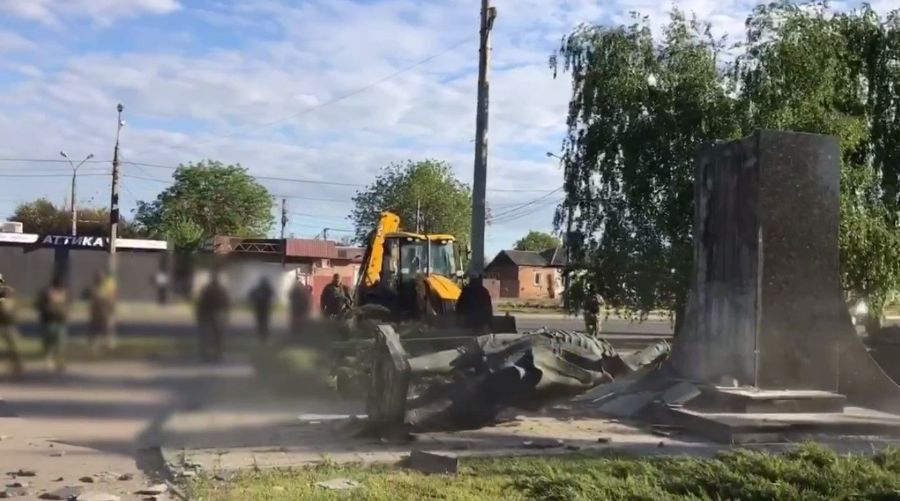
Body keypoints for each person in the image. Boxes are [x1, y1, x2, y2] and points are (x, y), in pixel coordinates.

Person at [36, 274, 69, 373]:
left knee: (60, 343)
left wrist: (65, 312)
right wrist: (47, 310)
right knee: (49, 343)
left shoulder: (64, 293)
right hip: (49, 321)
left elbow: (67, 304)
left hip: (60, 321)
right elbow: (39, 305)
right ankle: (48, 361)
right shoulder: (47, 292)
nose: (60, 285)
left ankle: (59, 362)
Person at [196, 272, 230, 362]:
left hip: (208, 314)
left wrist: (199, 316)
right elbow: (226, 303)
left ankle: (207, 353)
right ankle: (218, 353)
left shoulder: (206, 290)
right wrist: (226, 316)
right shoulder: (221, 290)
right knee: (218, 336)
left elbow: (200, 303)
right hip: (218, 314)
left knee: (207, 335)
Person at [85, 271, 116, 352]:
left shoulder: (108, 286)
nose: (100, 279)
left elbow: (111, 299)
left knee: (108, 327)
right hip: (96, 312)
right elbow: (92, 300)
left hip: (105, 310)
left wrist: (111, 310)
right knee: (94, 329)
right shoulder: (93, 288)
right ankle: (93, 344)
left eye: (101, 277)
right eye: (98, 277)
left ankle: (109, 342)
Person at [0, 274, 23, 379]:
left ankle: (17, 366)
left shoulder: (11, 302)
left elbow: (14, 314)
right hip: (4, 325)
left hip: (8, 325)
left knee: (14, 347)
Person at [248, 277, 274, 342]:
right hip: (261, 308)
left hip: (263, 308)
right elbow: (251, 296)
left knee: (262, 323)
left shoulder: (267, 289)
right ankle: (262, 336)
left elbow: (271, 295)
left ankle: (263, 336)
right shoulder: (260, 289)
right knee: (262, 322)